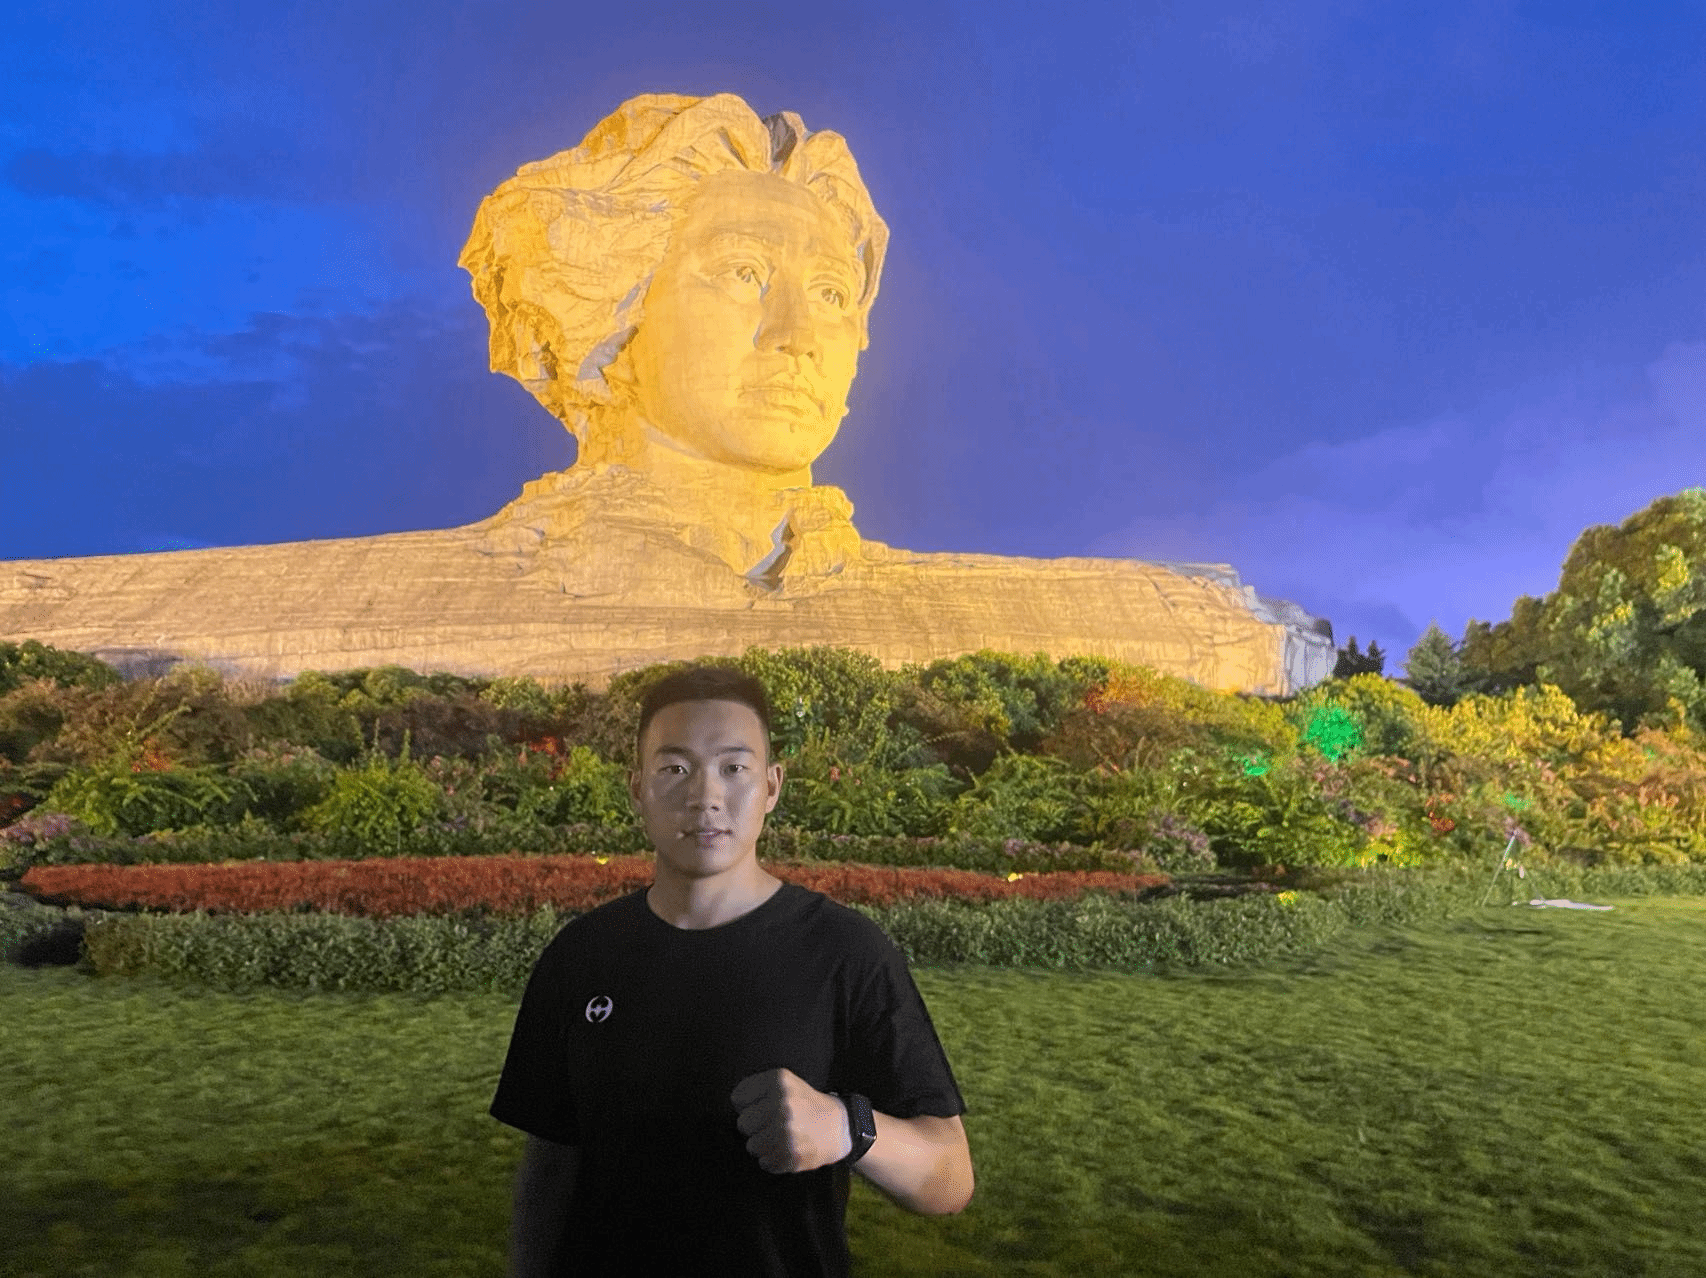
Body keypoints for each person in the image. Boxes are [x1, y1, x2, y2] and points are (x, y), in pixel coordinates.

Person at [490, 664, 973, 1276]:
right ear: (636, 788)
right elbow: (552, 1160)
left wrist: (847, 1128)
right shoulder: (582, 953)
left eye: (734, 768)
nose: (706, 796)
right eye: (675, 769)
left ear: (771, 786)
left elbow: (950, 1178)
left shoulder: (845, 952)